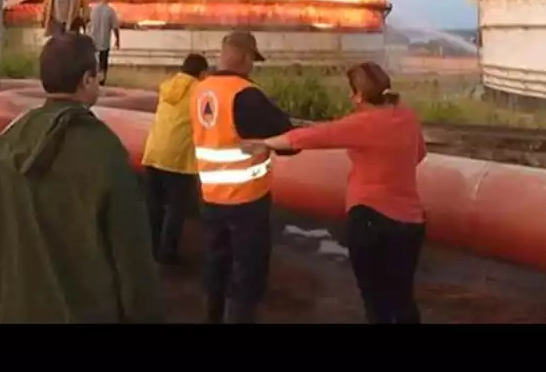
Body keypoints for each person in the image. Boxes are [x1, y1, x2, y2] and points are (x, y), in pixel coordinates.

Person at [0, 33, 163, 323]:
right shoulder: (104, 151)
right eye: (96, 75)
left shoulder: (5, 144)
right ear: (86, 80)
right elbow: (132, 258)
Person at [243, 62, 427, 324]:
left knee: (376, 300)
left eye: (352, 92)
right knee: (403, 296)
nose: (352, 98)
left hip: (370, 218)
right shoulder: (407, 116)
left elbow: (314, 136)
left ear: (360, 95)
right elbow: (419, 155)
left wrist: (265, 143)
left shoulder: (362, 123)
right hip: (411, 223)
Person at [189, 30, 298, 324]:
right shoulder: (246, 94)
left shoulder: (201, 90)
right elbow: (289, 140)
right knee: (247, 273)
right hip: (247, 201)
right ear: (246, 57)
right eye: (252, 60)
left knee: (215, 265)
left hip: (211, 196)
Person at [140, 53, 208, 265]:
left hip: (153, 153)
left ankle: (151, 251)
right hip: (178, 160)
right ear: (202, 73)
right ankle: (167, 255)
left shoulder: (168, 85)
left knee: (154, 207)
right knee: (177, 209)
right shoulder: (200, 91)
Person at [87, 0, 121, 84]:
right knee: (103, 61)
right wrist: (118, 40)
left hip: (93, 40)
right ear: (108, 0)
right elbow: (115, 26)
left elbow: (88, 24)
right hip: (104, 41)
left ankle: (92, 79)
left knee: (93, 60)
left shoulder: (94, 10)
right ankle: (101, 80)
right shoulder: (110, 11)